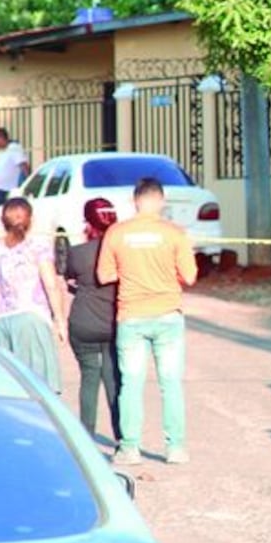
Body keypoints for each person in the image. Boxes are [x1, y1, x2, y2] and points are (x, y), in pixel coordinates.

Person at [97, 178, 198, 466]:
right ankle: (176, 448)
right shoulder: (175, 233)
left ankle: (130, 448)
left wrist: (131, 270)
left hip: (131, 317)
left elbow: (105, 275)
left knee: (131, 383)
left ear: (135, 201)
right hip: (168, 315)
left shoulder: (116, 233)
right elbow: (190, 276)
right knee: (171, 383)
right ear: (161, 201)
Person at [0, 198, 65, 391]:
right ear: (31, 220)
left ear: (2, 221)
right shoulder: (37, 247)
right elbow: (51, 285)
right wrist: (59, 320)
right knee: (38, 387)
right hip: (30, 316)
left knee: (4, 388)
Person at [66, 198, 122, 440]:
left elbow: (69, 280)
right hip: (112, 322)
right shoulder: (121, 253)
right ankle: (122, 438)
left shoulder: (78, 253)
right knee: (113, 378)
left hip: (83, 321)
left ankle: (86, 436)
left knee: (89, 377)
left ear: (87, 222)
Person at [0, 128, 30, 217]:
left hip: (4, 189)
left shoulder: (14, 148)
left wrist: (27, 182)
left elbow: (23, 166)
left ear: (1, 138)